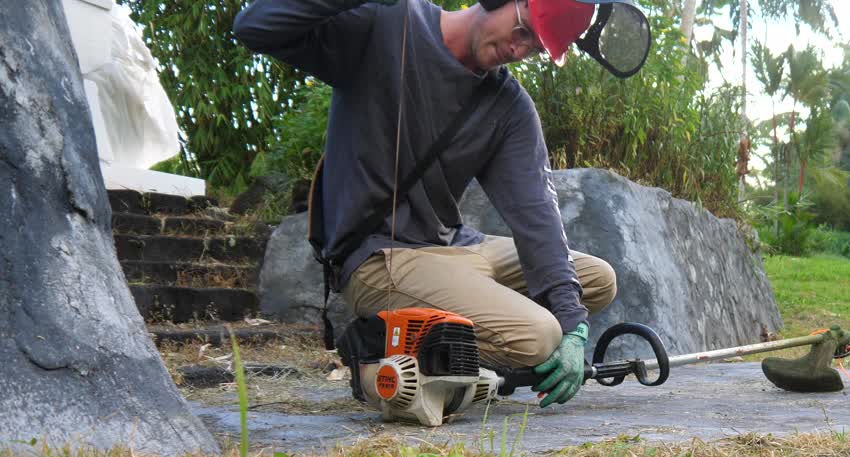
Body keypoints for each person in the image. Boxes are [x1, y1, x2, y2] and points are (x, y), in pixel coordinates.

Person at [233, 0, 626, 408]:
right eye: (522, 30)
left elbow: (537, 215)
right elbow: (255, 26)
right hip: (381, 259)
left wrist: (575, 328)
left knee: (596, 280)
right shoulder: (387, 26)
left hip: (453, 246)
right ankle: (383, 350)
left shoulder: (507, 105)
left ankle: (459, 329)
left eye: (535, 48)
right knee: (541, 336)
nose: (518, 50)